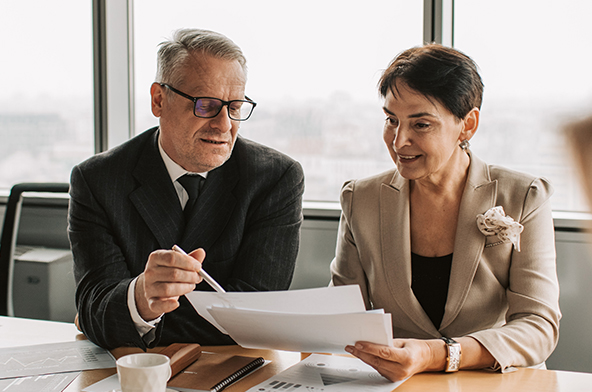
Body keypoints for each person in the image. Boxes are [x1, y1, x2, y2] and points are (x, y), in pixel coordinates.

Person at [330, 44, 561, 381]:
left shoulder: (523, 196)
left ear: (467, 125)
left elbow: (539, 327)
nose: (398, 141)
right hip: (395, 384)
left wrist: (437, 354)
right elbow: (343, 315)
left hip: (497, 382)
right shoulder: (359, 199)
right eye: (391, 121)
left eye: (421, 124)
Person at [68, 28, 304, 350]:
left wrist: (130, 313)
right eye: (205, 105)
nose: (224, 125)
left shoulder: (275, 178)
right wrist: (138, 297)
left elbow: (257, 315)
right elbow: (95, 304)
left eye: (234, 107)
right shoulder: (98, 180)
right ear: (158, 100)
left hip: (235, 369)